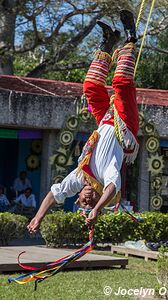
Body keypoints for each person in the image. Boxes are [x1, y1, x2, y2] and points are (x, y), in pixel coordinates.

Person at [28, 10, 139, 233]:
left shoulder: (79, 176)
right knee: (120, 82)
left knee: (90, 87)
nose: (87, 200)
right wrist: (97, 210)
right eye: (91, 201)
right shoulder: (107, 174)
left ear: (77, 197)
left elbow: (54, 193)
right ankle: (130, 37)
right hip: (125, 126)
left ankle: (108, 43)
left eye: (83, 202)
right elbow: (111, 188)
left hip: (105, 120)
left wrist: (37, 218)